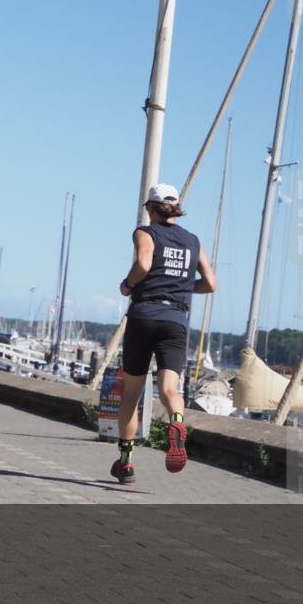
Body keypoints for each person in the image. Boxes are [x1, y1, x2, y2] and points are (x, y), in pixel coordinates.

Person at [113, 183, 217, 484]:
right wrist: (185, 288)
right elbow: (210, 283)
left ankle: (126, 461)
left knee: (131, 394)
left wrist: (128, 285)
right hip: (176, 320)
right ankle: (177, 422)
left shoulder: (146, 232)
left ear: (152, 208)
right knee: (170, 388)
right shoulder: (193, 241)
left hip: (145, 314)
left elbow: (144, 263)